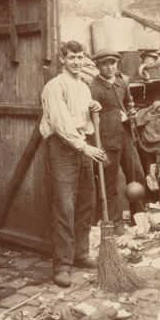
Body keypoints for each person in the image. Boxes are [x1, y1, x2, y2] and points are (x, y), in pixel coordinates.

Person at [40, 41, 108, 287]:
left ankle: (80, 254)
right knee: (64, 207)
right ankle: (63, 265)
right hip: (62, 148)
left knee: (85, 203)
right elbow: (60, 124)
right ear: (62, 59)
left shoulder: (83, 87)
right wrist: (84, 146)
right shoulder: (54, 87)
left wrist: (93, 109)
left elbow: (83, 120)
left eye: (80, 57)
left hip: (82, 145)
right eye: (72, 58)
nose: (77, 62)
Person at [89, 48, 147, 235]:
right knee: (109, 181)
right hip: (107, 139)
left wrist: (131, 114)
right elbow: (92, 117)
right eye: (105, 64)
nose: (109, 67)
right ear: (98, 66)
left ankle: (138, 214)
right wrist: (117, 117)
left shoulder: (122, 82)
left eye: (112, 63)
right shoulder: (93, 88)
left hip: (125, 136)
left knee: (136, 173)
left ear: (117, 64)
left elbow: (127, 104)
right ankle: (114, 222)